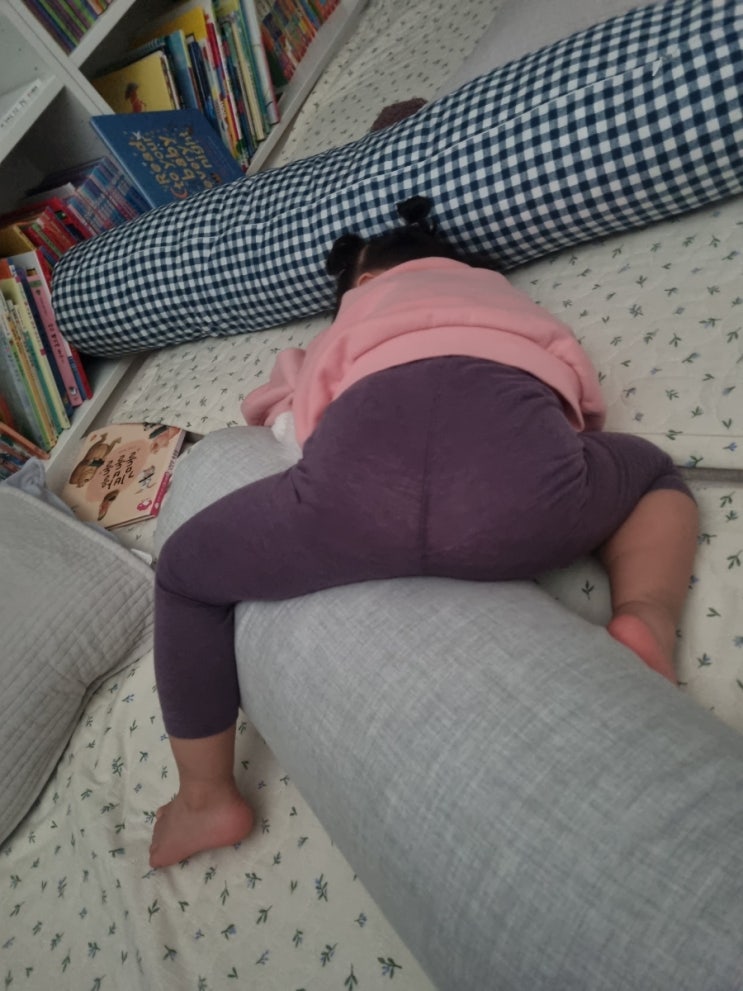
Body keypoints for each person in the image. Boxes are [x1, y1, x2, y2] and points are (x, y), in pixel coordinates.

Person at [149, 197, 698, 868]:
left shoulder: (354, 316)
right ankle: (645, 616)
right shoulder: (501, 297)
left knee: (184, 576)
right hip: (523, 496)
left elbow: (287, 415)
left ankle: (204, 797)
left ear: (362, 281)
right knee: (652, 475)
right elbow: (578, 399)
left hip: (355, 500)